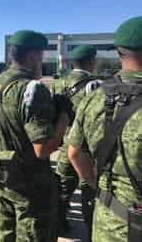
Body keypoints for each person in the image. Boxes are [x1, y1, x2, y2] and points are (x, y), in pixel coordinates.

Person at [0, 30, 72, 241]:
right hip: (30, 182)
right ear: (34, 55)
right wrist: (63, 117)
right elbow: (42, 150)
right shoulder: (32, 89)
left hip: (3, 173)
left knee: (3, 232)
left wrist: (0, 140)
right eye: (41, 55)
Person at [68, 16, 142, 241]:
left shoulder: (95, 97)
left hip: (107, 218)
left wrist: (97, 187)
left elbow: (74, 153)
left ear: (120, 54)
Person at [51, 45, 99, 235]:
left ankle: (58, 223)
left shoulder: (58, 82)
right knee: (89, 189)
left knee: (62, 187)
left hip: (65, 144)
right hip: (85, 148)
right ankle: (92, 230)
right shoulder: (93, 85)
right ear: (91, 61)